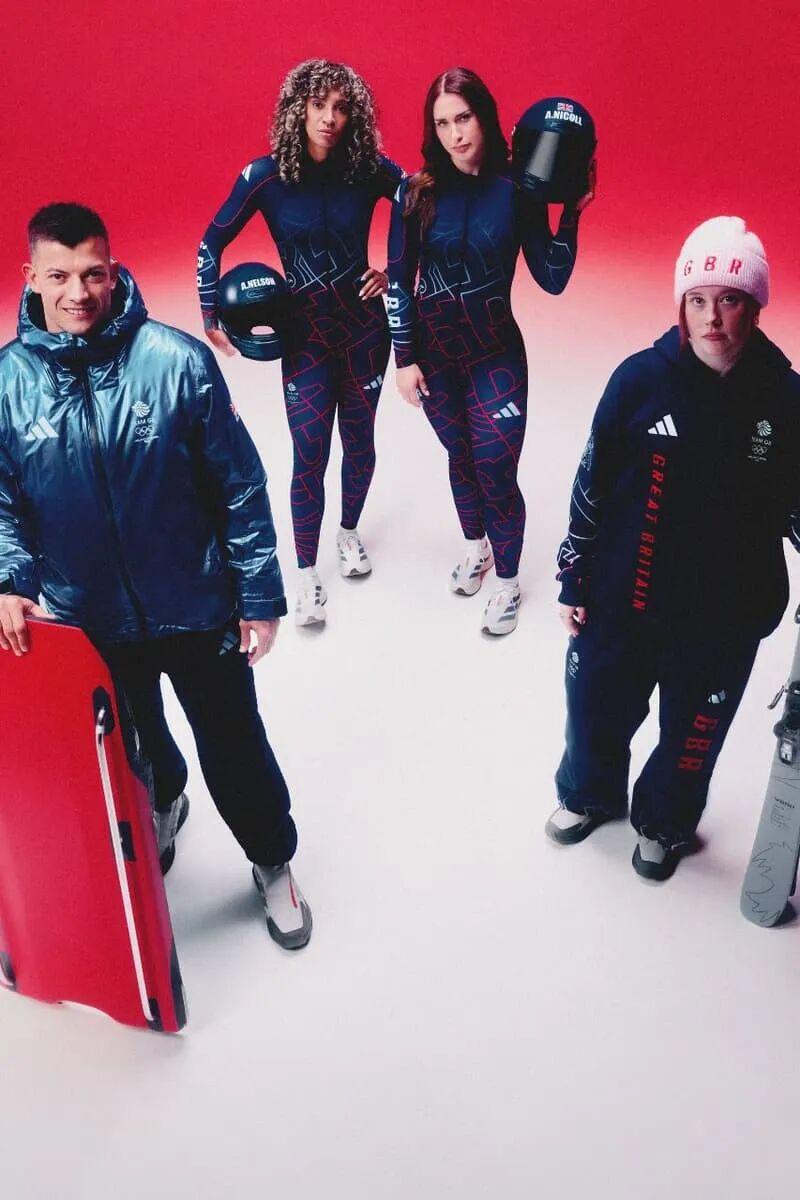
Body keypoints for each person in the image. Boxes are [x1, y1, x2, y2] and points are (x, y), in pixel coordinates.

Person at [0, 202, 312, 950]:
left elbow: (239, 484)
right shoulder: (7, 383)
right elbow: (2, 500)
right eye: (59, 277)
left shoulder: (175, 361)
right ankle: (165, 803)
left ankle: (272, 860)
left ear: (113, 271)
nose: (78, 293)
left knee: (235, 747)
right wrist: (11, 579)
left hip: (197, 605)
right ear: (31, 276)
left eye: (92, 274)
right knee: (132, 748)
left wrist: (258, 596)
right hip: (88, 619)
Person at [548, 216, 800, 881]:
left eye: (731, 299)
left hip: (725, 618)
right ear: (681, 305)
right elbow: (592, 483)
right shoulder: (639, 381)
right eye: (698, 299)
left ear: (755, 306)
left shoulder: (785, 398)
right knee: (594, 713)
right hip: (623, 601)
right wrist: (574, 577)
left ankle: (664, 822)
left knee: (693, 737)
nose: (712, 317)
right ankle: (590, 795)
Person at [387, 67, 594, 635]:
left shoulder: (518, 189)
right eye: (442, 123)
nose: (455, 134)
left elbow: (552, 278)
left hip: (495, 356)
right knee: (461, 459)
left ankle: (507, 582)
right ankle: (476, 548)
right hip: (432, 358)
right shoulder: (416, 191)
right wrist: (404, 359)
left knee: (496, 470)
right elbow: (399, 281)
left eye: (464, 118)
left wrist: (571, 213)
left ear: (485, 117)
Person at [198, 59, 403, 627]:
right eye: (318, 105)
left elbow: (422, 202)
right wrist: (210, 311)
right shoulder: (265, 176)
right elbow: (212, 241)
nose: (329, 118)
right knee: (309, 453)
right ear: (298, 108)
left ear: (354, 116)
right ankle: (307, 573)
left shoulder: (368, 170)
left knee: (359, 443)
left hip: (365, 331)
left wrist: (395, 271)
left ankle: (349, 533)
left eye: (341, 108)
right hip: (305, 336)